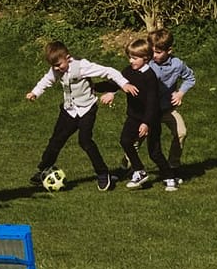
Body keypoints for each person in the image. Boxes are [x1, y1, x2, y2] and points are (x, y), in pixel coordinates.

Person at [24, 40, 135, 192]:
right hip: (69, 110)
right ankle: (44, 169)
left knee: (85, 141)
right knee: (56, 140)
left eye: (59, 65)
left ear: (67, 58)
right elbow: (46, 80)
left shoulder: (82, 66)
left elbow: (109, 71)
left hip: (87, 109)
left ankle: (103, 173)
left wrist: (124, 84)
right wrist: (35, 92)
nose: (57, 69)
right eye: (54, 66)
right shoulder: (56, 70)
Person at [119, 36, 178, 191]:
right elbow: (117, 82)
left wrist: (146, 123)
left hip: (151, 118)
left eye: (134, 58)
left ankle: (170, 177)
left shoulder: (150, 76)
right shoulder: (128, 71)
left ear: (145, 59)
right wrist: (97, 88)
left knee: (154, 152)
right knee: (125, 141)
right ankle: (139, 171)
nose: (131, 61)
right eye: (129, 57)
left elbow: (152, 103)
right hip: (133, 117)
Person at [148, 27, 197, 171]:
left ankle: (173, 164)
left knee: (181, 132)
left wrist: (180, 93)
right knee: (135, 140)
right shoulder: (146, 63)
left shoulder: (178, 64)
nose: (154, 55)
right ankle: (129, 165)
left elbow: (190, 78)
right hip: (149, 111)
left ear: (169, 50)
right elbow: (128, 78)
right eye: (152, 51)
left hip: (167, 109)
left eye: (158, 52)